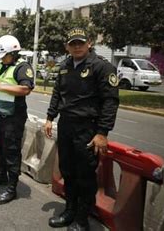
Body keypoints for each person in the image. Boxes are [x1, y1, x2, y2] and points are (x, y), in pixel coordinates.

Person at [44, 28, 119, 231]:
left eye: (80, 42)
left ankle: (82, 219)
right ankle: (69, 211)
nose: (77, 46)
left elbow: (110, 102)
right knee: (68, 171)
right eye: (72, 43)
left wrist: (102, 132)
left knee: (85, 175)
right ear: (66, 46)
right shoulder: (64, 66)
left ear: (89, 43)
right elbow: (57, 93)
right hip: (66, 126)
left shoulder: (102, 67)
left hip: (88, 129)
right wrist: (50, 117)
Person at [0, 35, 34, 205]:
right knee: (0, 148)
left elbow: (25, 89)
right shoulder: (0, 65)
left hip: (13, 118)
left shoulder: (22, 67)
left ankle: (12, 187)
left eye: (4, 55)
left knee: (11, 151)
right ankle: (1, 174)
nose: (1, 59)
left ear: (14, 52)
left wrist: (1, 86)